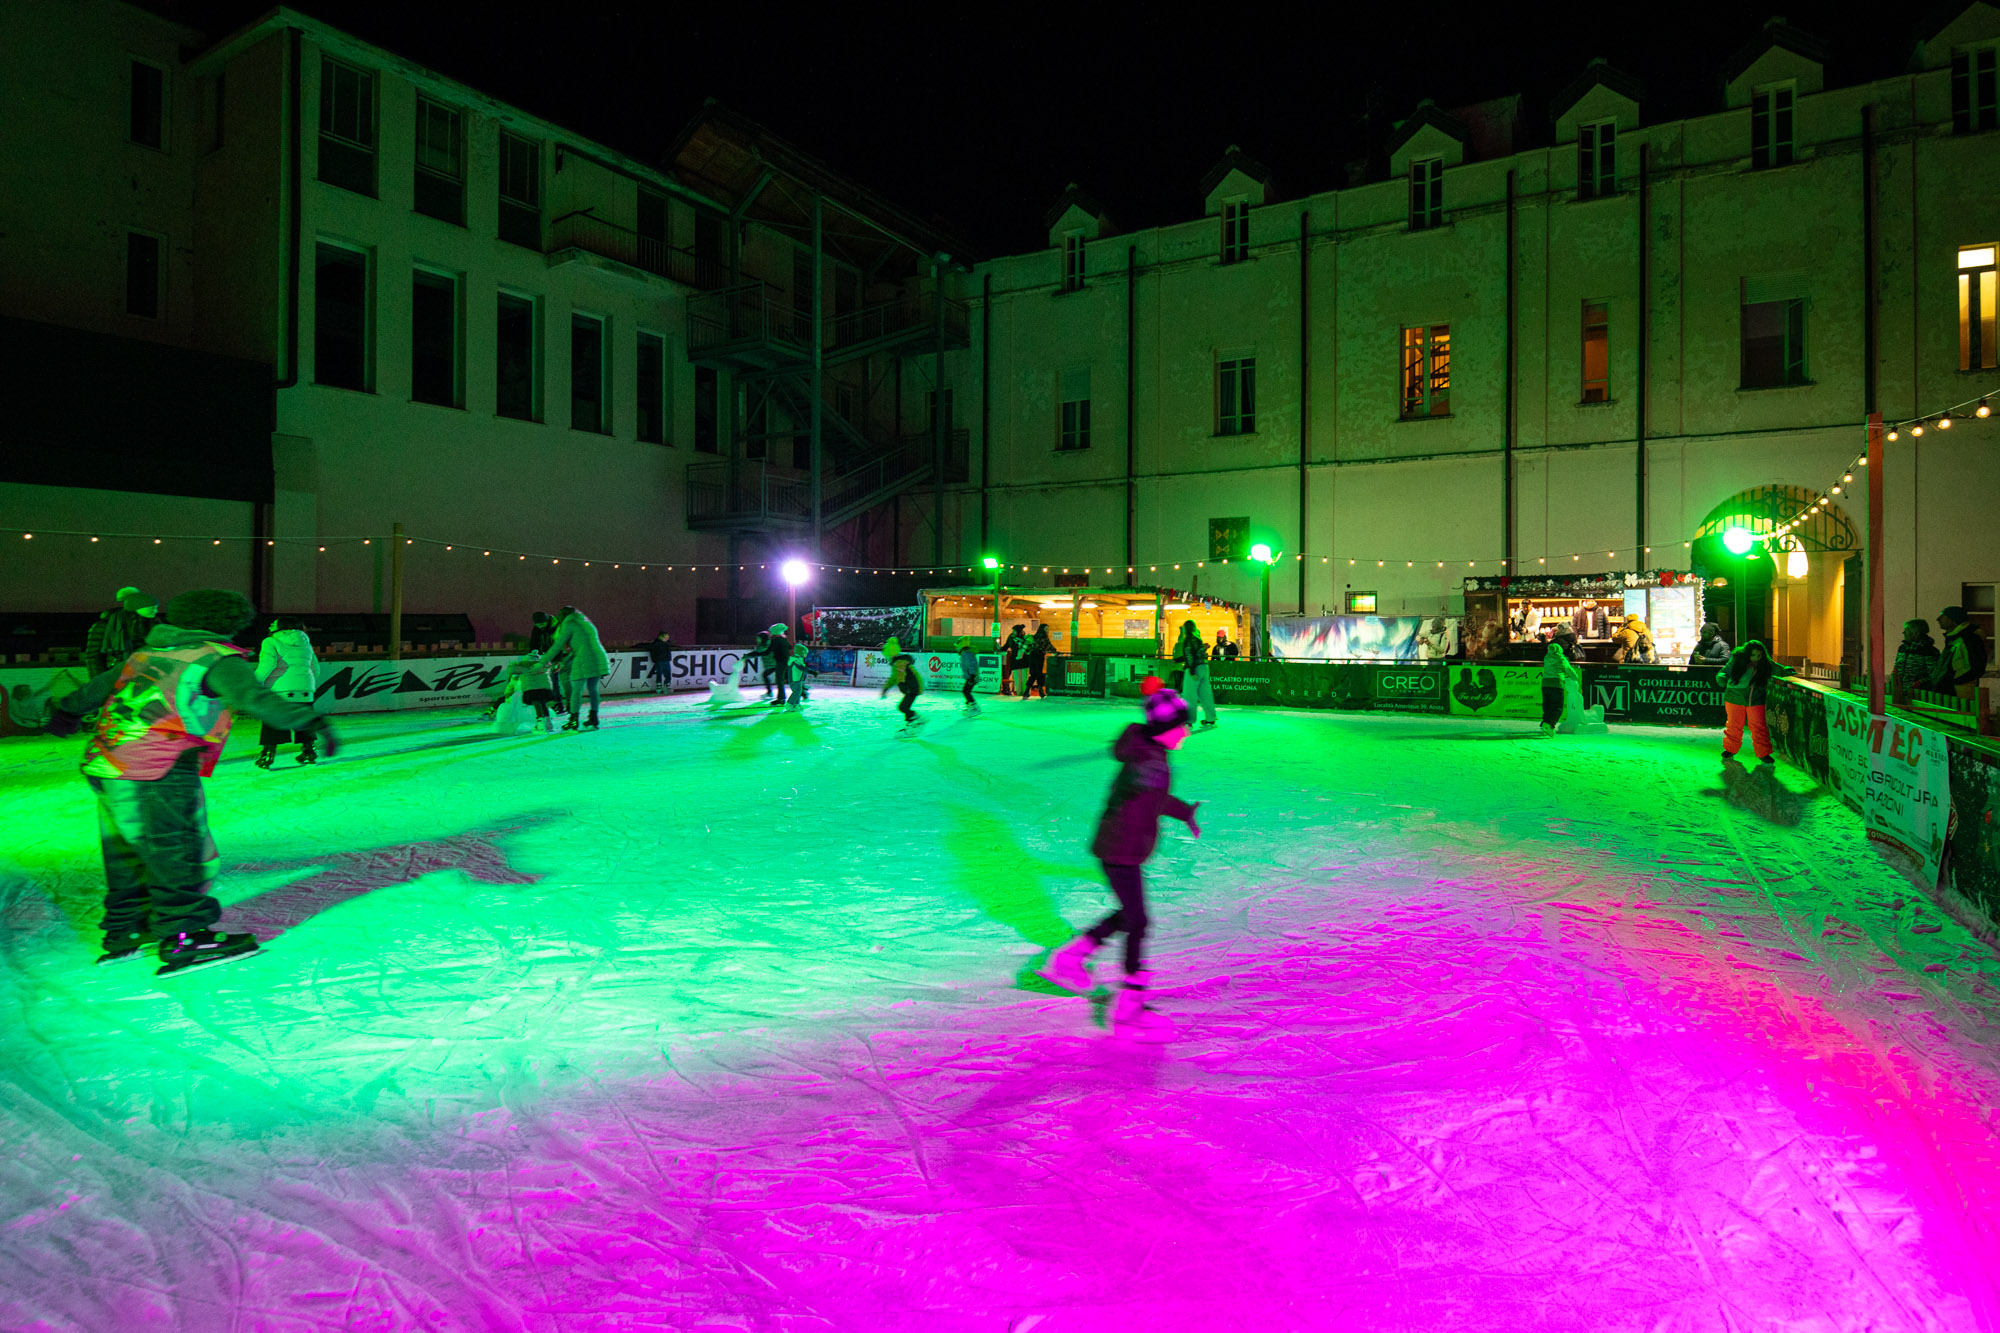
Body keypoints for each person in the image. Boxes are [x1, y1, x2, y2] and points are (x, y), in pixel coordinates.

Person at [45, 588, 338, 975]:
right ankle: (186, 938)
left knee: (127, 850)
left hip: (108, 761)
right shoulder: (214, 657)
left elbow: (95, 689)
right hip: (159, 766)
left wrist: (65, 711)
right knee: (178, 847)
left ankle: (126, 930)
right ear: (228, 622)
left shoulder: (149, 653)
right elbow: (256, 699)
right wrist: (313, 722)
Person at [1035, 676, 1201, 1042]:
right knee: (1138, 921)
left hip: (1118, 847)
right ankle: (1129, 1004)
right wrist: (1162, 798)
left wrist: (1183, 811)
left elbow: (1151, 798)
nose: (1188, 731)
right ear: (1166, 730)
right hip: (1120, 850)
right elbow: (1144, 794)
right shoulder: (1151, 762)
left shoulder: (1149, 753)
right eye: (1183, 725)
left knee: (1130, 916)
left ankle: (1073, 956)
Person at [253, 616, 320, 768]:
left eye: (274, 622)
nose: (271, 624)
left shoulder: (270, 641)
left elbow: (267, 666)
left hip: (280, 690)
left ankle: (267, 756)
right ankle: (309, 751)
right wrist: (305, 684)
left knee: (273, 722)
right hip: (304, 691)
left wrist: (254, 683)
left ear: (282, 626)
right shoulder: (306, 644)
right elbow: (316, 669)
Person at [1721, 639, 1792, 764]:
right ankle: (1730, 749)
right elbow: (1725, 671)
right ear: (1747, 654)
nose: (1756, 659)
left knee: (1759, 726)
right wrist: (1721, 677)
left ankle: (1763, 752)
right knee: (1734, 724)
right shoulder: (1737, 659)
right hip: (1734, 697)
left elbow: (1775, 667)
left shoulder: (1765, 663)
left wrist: (1786, 670)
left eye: (1759, 656)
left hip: (1756, 698)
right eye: (1753, 655)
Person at [539, 605, 609, 731]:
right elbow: (578, 647)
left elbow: (557, 646)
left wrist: (541, 662)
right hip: (599, 657)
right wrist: (564, 662)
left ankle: (573, 720)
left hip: (584, 659)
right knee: (593, 689)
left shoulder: (569, 623)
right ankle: (594, 718)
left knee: (576, 691)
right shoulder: (586, 623)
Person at [84, 587, 159, 677]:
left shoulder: (154, 624)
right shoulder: (106, 626)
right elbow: (93, 658)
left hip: (146, 676)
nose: (156, 611)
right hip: (115, 675)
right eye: (151, 608)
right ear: (137, 607)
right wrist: (100, 681)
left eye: (156, 608)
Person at [1936, 606, 1990, 701]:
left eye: (1943, 616)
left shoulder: (1968, 639)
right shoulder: (1955, 638)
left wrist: (1954, 681)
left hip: (1961, 693)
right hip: (1952, 690)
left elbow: (1976, 667)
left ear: (1953, 619)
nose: (1938, 619)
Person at [1174, 620, 1218, 729]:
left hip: (1194, 669)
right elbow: (1197, 654)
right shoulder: (1198, 639)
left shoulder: (1188, 640)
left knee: (1189, 695)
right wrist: (1178, 660)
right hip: (1204, 667)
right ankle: (1211, 718)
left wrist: (1192, 671)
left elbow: (1190, 656)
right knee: (1205, 694)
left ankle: (1189, 719)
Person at [880, 635, 924, 734]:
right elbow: (893, 678)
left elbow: (900, 675)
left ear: (890, 655)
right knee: (904, 706)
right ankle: (913, 723)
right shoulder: (898, 662)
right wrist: (886, 689)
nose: (886, 658)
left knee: (903, 707)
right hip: (913, 687)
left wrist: (901, 684)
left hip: (913, 687)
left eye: (886, 656)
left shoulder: (899, 663)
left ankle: (915, 722)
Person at [1891, 619, 1942, 699]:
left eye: (1907, 630)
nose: (1903, 633)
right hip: (1900, 691)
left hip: (1918, 694)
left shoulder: (1929, 651)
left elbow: (1933, 674)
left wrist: (1918, 683)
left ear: (1915, 632)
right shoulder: (1903, 648)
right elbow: (1897, 666)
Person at [1539, 638, 1579, 738]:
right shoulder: (1561, 659)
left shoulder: (1547, 658)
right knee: (1557, 707)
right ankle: (1549, 723)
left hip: (1545, 683)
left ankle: (1545, 722)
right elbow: (1569, 670)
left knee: (1547, 705)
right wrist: (1575, 677)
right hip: (1557, 683)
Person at [528, 612, 565, 716]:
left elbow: (560, 644)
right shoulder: (537, 628)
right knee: (545, 681)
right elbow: (534, 641)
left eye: (542, 624)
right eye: (538, 625)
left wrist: (558, 660)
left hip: (556, 657)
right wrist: (534, 651)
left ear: (547, 621)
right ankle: (547, 702)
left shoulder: (557, 626)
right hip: (544, 657)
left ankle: (559, 704)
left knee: (554, 680)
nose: (540, 627)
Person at [765, 623, 793, 708]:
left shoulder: (775, 640)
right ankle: (803, 692)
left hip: (781, 662)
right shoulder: (783, 639)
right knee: (789, 679)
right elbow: (790, 647)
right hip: (787, 661)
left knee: (780, 680)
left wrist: (754, 654)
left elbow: (768, 651)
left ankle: (781, 699)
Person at [1023, 625, 1054, 700]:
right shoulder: (1044, 637)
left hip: (1032, 656)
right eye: (1046, 629)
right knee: (1039, 673)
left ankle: (1026, 691)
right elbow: (1049, 646)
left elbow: (1028, 646)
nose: (1047, 630)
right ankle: (1041, 691)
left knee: (1033, 674)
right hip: (1039, 656)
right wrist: (1055, 651)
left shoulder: (1034, 637)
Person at [999, 624, 1029, 696]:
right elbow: (1006, 646)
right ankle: (1019, 694)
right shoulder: (1011, 637)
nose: (1013, 632)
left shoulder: (1026, 638)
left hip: (1025, 660)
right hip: (1015, 661)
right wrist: (999, 649)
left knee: (1024, 679)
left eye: (1014, 631)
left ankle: (1025, 694)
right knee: (1017, 680)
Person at [956, 635, 983, 713]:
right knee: (966, 691)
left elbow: (972, 664)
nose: (957, 649)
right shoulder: (966, 653)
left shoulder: (967, 654)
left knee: (966, 691)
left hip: (972, 677)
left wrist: (972, 676)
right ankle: (970, 706)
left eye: (957, 647)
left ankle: (974, 707)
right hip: (970, 676)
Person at [747, 629, 774, 701]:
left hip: (776, 664)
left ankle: (802, 691)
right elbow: (757, 652)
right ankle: (769, 692)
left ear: (763, 638)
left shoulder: (769, 645)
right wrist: (748, 655)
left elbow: (762, 653)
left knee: (786, 678)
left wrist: (749, 655)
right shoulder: (760, 646)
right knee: (765, 675)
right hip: (771, 665)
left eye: (758, 638)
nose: (757, 640)